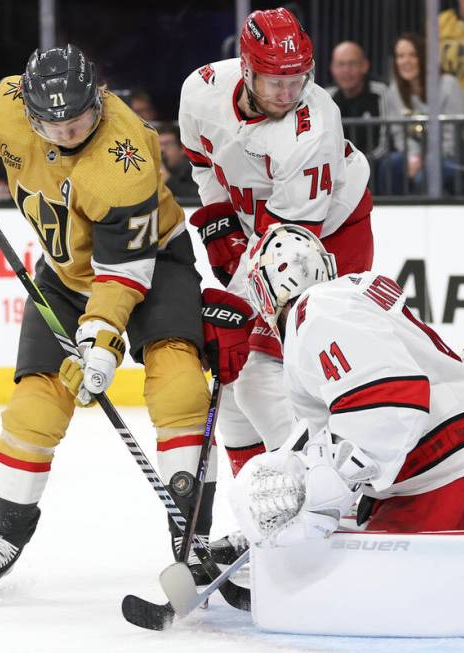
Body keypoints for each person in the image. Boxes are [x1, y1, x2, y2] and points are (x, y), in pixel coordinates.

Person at [0, 44, 220, 593]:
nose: (64, 131)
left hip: (151, 262)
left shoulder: (125, 156)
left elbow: (123, 274)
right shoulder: (11, 101)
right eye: (51, 122)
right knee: (34, 408)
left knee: (179, 387)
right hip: (64, 275)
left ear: (98, 100)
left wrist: (101, 344)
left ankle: (192, 536)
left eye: (78, 117)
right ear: (30, 110)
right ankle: (6, 532)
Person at [230, 224, 464, 641]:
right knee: (352, 551)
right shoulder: (340, 303)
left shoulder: (318, 314)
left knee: (379, 585)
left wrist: (327, 485)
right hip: (458, 466)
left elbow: (390, 403)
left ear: (265, 292)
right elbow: (337, 433)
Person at [177, 7, 374, 563]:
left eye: (298, 79)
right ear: (246, 70)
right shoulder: (202, 90)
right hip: (258, 230)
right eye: (275, 80)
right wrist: (218, 227)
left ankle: (317, 505)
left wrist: (231, 305)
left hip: (328, 235)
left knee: (266, 374)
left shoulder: (314, 127)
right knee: (239, 382)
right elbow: (203, 165)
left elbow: (288, 247)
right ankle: (257, 513)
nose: (289, 91)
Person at [383, 34, 464, 189]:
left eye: (413, 55)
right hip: (418, 157)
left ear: (424, 57)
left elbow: (454, 138)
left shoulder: (448, 85)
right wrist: (414, 158)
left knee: (425, 174)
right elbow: (400, 135)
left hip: (454, 157)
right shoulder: (394, 91)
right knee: (390, 165)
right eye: (400, 56)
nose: (405, 61)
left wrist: (425, 160)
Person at [324, 41, 390, 159]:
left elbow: (385, 143)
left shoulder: (380, 92)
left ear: (364, 66)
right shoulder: (326, 96)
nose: (346, 70)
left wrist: (360, 164)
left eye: (352, 64)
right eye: (340, 64)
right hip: (338, 167)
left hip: (374, 163)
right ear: (332, 68)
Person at [157, 125, 199, 199]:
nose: (161, 149)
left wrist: (168, 179)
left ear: (182, 148)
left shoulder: (195, 169)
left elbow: (196, 196)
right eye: (158, 145)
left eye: (167, 144)